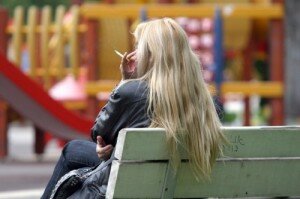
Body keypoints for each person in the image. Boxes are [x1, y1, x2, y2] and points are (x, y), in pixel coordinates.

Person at [41, 17, 225, 198]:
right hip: (181, 185)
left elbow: (98, 133)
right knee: (75, 149)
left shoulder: (133, 92)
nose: (135, 53)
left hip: (137, 183)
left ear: (151, 55)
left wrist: (124, 82)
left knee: (71, 151)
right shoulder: (207, 100)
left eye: (139, 48)